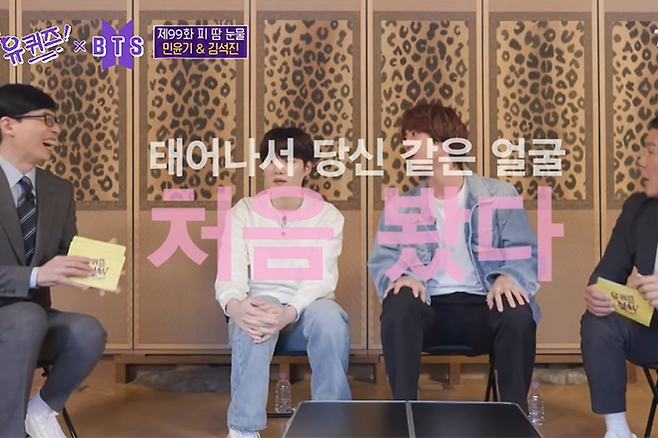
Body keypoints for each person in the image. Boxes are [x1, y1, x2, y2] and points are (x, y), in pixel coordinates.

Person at [368, 102, 540, 412]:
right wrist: (402, 277)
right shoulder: (401, 206)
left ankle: (515, 417)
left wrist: (508, 277)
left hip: (483, 306)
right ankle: (404, 413)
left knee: (515, 307)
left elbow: (524, 250)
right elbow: (383, 260)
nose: (405, 143)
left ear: (442, 140)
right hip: (428, 310)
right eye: (405, 136)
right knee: (398, 302)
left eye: (414, 134)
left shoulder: (499, 195)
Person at [215, 126, 351, 438]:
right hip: (260, 311)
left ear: (307, 168)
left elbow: (321, 279)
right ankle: (243, 429)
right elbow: (230, 274)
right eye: (271, 160)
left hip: (305, 314)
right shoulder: (243, 212)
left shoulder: (328, 216)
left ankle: (331, 421)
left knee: (329, 318)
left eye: (288, 160)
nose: (278, 168)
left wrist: (289, 312)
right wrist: (235, 307)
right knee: (257, 311)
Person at [0, 84, 109, 438]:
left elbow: (64, 251)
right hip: (21, 318)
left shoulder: (59, 189)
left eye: (56, 120)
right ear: (8, 124)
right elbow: (40, 272)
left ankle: (41, 411)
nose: (57, 129)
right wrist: (35, 276)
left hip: (31, 319)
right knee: (27, 316)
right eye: (46, 120)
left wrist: (94, 266)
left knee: (87, 331)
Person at [580, 116, 658, 438]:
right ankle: (617, 431)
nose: (641, 161)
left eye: (651, 151)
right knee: (599, 320)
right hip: (652, 330)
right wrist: (597, 292)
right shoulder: (639, 209)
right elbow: (606, 273)